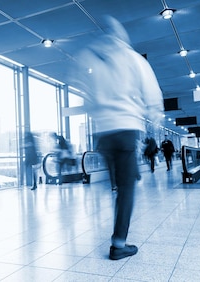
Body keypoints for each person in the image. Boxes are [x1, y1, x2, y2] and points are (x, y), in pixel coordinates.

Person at [70, 16, 163, 260]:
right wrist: (154, 115)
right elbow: (152, 93)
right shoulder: (132, 58)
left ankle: (112, 191)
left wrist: (99, 114)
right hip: (126, 128)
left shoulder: (92, 60)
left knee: (115, 182)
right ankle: (119, 243)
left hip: (103, 132)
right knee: (126, 188)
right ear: (122, 36)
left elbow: (84, 93)